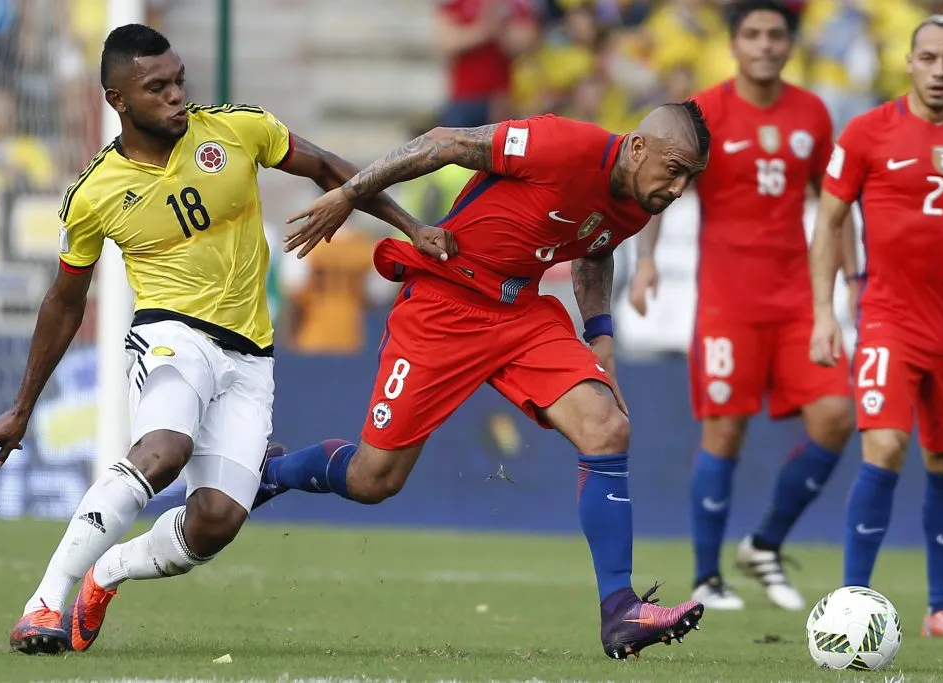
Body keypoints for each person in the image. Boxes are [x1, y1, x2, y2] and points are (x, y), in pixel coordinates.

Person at [0, 23, 451, 656]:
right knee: (163, 450)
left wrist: (409, 225)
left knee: (216, 522)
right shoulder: (94, 193)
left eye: (179, 80)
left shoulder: (236, 129)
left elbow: (325, 166)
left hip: (250, 354)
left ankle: (107, 571)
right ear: (118, 100)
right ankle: (42, 604)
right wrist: (22, 407)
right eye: (157, 87)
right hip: (170, 334)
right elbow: (64, 301)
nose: (177, 95)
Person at [254, 103, 711, 660]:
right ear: (639, 147)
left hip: (519, 313)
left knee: (607, 427)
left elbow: (595, 250)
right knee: (373, 479)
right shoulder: (562, 145)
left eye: (690, 177)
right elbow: (442, 143)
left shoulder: (639, 198)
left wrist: (601, 336)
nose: (679, 188)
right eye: (675, 169)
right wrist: (348, 196)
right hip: (444, 302)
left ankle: (621, 610)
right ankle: (271, 473)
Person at [629, 0, 858, 612]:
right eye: (752, 33)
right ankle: (707, 576)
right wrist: (646, 261)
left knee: (836, 416)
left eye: (775, 34)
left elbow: (834, 204)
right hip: (727, 304)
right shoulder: (704, 112)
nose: (764, 44)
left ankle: (765, 543)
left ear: (789, 44)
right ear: (734, 44)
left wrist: (853, 279)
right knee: (725, 429)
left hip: (798, 301)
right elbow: (659, 186)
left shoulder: (812, 113)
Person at [810, 13, 943, 639]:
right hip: (889, 320)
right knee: (884, 445)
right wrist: (825, 312)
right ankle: (853, 602)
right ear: (908, 62)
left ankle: (942, 609)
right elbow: (829, 222)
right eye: (928, 58)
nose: (939, 71)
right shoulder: (868, 131)